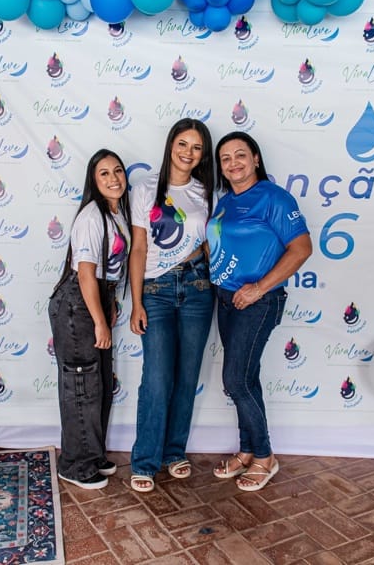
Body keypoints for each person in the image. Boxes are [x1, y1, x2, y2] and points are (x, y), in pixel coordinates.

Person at [207, 131, 312, 492]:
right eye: (225, 158)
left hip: (258, 302)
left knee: (236, 381)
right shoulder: (224, 202)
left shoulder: (274, 198)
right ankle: (247, 449)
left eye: (240, 155)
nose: (233, 163)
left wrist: (259, 288)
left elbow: (301, 248)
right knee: (246, 379)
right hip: (226, 299)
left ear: (255, 159)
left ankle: (265, 457)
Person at [128, 118, 216, 493]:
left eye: (196, 147)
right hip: (156, 290)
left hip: (197, 286)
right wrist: (136, 302)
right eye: (183, 144)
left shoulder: (205, 191)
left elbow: (211, 243)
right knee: (157, 377)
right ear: (170, 144)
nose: (188, 153)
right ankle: (145, 460)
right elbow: (139, 248)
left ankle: (174, 451)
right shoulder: (145, 187)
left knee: (186, 375)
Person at [48, 149, 131, 490]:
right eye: (104, 174)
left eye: (118, 171)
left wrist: (109, 305)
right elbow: (85, 274)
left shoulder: (116, 213)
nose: (113, 178)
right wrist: (98, 320)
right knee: (81, 385)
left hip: (98, 298)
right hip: (77, 306)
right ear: (93, 182)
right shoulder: (92, 216)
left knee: (99, 385)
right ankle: (75, 464)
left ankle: (93, 455)